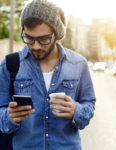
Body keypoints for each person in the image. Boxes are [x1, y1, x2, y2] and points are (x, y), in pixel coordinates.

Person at [0, 0, 96, 149]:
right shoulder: (8, 65)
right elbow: (1, 115)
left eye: (44, 39)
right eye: (29, 38)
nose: (36, 46)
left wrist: (76, 111)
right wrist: (9, 117)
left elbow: (89, 104)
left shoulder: (79, 64)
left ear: (56, 34)